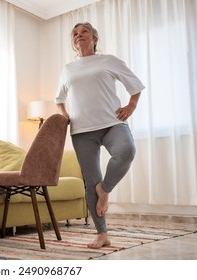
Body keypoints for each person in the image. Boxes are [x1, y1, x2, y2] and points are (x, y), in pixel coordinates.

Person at [55, 22, 145, 249]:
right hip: (82, 131)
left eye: (84, 32)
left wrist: (131, 107)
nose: (79, 35)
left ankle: (104, 190)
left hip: (112, 123)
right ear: (73, 43)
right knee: (90, 182)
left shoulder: (109, 60)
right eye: (75, 34)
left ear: (94, 38)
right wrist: (66, 116)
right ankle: (102, 234)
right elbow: (59, 100)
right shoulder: (68, 69)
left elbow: (135, 86)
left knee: (126, 151)